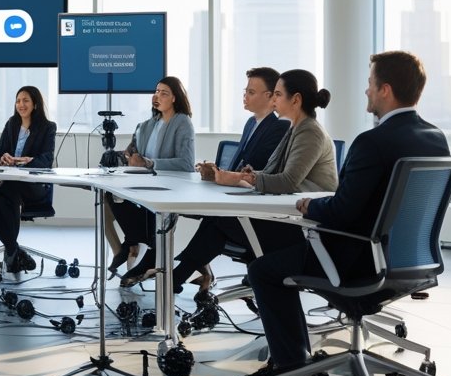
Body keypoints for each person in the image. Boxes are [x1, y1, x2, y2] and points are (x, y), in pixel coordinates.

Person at [249, 51, 450, 376]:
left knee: (263, 270)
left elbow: (342, 211)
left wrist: (310, 208)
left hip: (358, 264)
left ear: (385, 90)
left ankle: (291, 369)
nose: (366, 91)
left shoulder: (372, 142)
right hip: (412, 261)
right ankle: (293, 361)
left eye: (370, 84)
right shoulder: (435, 138)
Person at [136, 69, 339, 293]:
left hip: (303, 226)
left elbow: (288, 181)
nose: (274, 100)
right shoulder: (295, 129)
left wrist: (244, 178)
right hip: (287, 213)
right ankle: (179, 275)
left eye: (278, 95)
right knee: (219, 220)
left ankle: (178, 275)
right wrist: (243, 175)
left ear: (296, 99)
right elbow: (271, 171)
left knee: (221, 220)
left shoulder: (310, 132)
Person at [107, 76, 196, 281]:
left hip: (170, 186)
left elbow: (186, 163)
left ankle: (141, 247)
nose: (157, 96)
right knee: (112, 196)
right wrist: (127, 156)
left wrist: (149, 163)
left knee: (126, 201)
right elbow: (136, 153)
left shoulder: (182, 122)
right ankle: (134, 243)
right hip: (146, 183)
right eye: (156, 91)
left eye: (164, 93)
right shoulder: (148, 124)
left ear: (175, 98)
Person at [0, 85, 56, 274]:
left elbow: (48, 159)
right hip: (10, 183)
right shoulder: (12, 124)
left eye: (25, 100)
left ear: (35, 104)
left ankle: (13, 254)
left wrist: (30, 160)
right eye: (18, 101)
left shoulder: (48, 127)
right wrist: (2, 158)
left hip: (33, 185)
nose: (21, 105)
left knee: (8, 191)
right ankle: (14, 251)